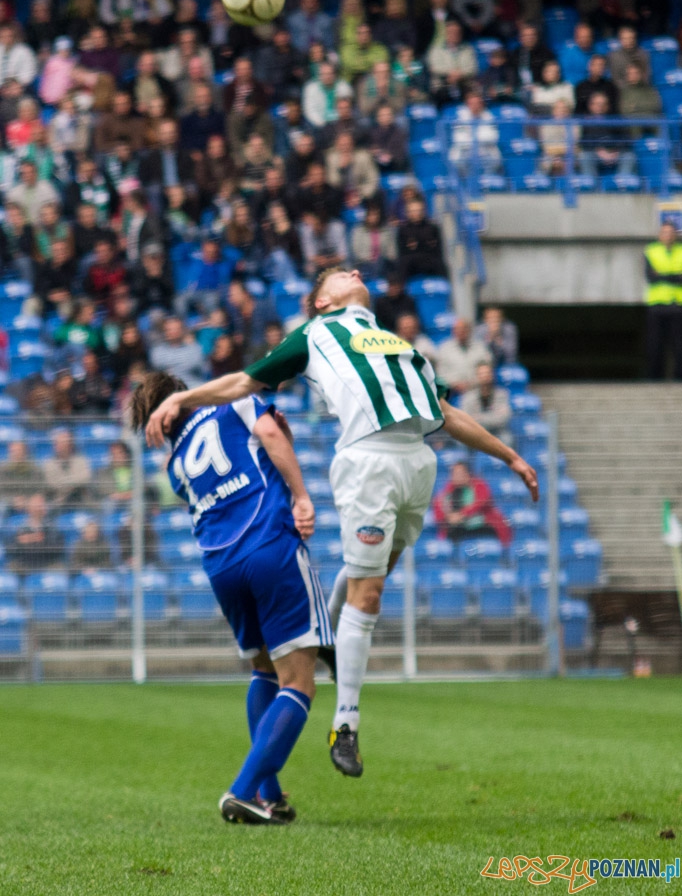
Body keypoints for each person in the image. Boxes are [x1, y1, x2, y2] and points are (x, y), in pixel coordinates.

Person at [145, 268, 538, 779]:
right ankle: (345, 726)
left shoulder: (398, 343)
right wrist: (183, 397)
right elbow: (244, 382)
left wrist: (510, 457)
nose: (354, 271)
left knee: (366, 580)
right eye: (338, 275)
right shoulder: (315, 332)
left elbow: (444, 411)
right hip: (368, 462)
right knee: (368, 595)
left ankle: (328, 634)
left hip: (419, 463)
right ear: (324, 302)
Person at [132, 369, 331, 824]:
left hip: (222, 567)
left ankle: (270, 796)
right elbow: (266, 436)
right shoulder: (232, 403)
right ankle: (241, 791)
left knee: (263, 668)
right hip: (268, 547)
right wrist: (301, 496)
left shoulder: (174, 464)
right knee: (298, 681)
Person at [433, 461, 511, 545]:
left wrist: (461, 514)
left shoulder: (479, 485)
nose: (456, 476)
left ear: (468, 474)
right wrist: (449, 517)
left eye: (460, 473)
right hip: (460, 529)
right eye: (454, 474)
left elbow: (481, 502)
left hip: (483, 526)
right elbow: (439, 508)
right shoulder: (448, 490)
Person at [643, 222, 682, 380]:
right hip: (656, 306)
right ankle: (654, 378)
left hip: (677, 305)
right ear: (660, 235)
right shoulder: (651, 251)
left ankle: (679, 378)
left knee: (678, 346)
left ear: (675, 235)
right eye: (664, 232)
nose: (667, 235)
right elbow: (651, 277)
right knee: (655, 345)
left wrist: (662, 275)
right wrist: (673, 276)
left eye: (670, 232)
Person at [578, 91, 635, 177]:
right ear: (591, 106)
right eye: (597, 104)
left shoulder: (617, 120)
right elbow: (583, 141)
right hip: (596, 154)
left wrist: (616, 150)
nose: (600, 107)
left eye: (603, 104)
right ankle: (590, 186)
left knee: (629, 156)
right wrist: (598, 150)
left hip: (616, 153)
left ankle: (623, 184)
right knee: (584, 156)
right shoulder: (585, 122)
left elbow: (627, 138)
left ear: (608, 106)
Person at [6, 492, 65, 572]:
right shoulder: (19, 528)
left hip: (48, 565)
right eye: (35, 504)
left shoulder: (51, 527)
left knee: (59, 570)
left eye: (40, 504)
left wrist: (30, 539)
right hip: (24, 565)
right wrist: (33, 539)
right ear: (29, 508)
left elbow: (57, 548)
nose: (38, 508)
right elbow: (11, 549)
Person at [426, 19, 478, 106]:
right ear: (446, 33)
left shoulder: (468, 49)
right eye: (451, 32)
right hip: (442, 83)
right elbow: (434, 68)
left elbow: (472, 68)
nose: (454, 34)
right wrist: (450, 73)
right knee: (439, 93)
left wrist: (459, 74)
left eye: (456, 32)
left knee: (473, 94)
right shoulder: (436, 49)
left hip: (464, 83)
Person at [460, 362, 513, 446]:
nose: (484, 376)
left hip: (497, 431)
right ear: (476, 376)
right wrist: (492, 417)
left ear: (492, 375)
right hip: (475, 432)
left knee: (507, 438)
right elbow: (466, 420)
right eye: (481, 374)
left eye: (487, 373)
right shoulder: (468, 397)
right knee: (461, 440)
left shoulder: (502, 395)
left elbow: (503, 419)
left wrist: (479, 418)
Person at [436, 318, 492, 394]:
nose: (461, 332)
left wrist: (472, 383)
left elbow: (487, 369)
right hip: (451, 392)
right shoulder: (444, 349)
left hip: (476, 390)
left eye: (464, 329)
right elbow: (440, 373)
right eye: (458, 329)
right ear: (453, 331)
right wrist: (454, 384)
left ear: (469, 331)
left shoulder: (480, 348)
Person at [397, 196, 447, 279]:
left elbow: (438, 250)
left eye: (418, 210)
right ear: (407, 212)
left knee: (440, 264)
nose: (416, 213)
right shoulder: (403, 230)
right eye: (413, 211)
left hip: (429, 261)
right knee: (403, 264)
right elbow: (402, 252)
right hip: (411, 264)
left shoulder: (432, 228)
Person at [150, 315, 206, 389]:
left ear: (182, 330)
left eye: (176, 329)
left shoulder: (194, 348)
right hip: (169, 390)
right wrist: (183, 362)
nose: (173, 332)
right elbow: (157, 364)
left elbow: (195, 364)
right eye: (169, 329)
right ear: (164, 331)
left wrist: (171, 366)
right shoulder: (157, 351)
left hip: (193, 387)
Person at [42, 429, 92, 508]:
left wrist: (65, 482)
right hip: (59, 501)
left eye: (63, 444)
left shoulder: (81, 460)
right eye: (57, 444)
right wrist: (72, 483)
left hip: (81, 500)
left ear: (70, 445)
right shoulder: (49, 463)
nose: (58, 447)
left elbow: (85, 478)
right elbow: (52, 483)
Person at [608, 26, 651, 92]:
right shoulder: (614, 57)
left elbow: (646, 75)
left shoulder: (643, 54)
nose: (629, 41)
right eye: (625, 39)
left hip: (641, 89)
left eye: (631, 38)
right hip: (622, 92)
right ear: (620, 40)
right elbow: (615, 79)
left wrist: (638, 85)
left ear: (635, 39)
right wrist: (629, 88)